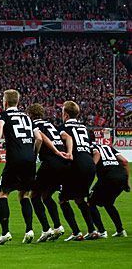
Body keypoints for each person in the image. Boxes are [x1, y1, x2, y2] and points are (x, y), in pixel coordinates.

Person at [0, 90, 40, 245]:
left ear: (5, 102)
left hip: (14, 159)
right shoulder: (27, 117)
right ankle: (29, 230)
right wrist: (33, 154)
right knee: (25, 194)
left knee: (2, 194)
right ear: (18, 102)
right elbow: (39, 138)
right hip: (30, 160)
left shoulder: (3, 115)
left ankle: (5, 232)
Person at [26, 103, 69, 242]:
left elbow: (39, 138)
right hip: (63, 163)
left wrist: (34, 154)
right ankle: (57, 227)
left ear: (30, 115)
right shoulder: (51, 125)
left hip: (50, 163)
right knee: (46, 195)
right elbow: (67, 137)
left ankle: (46, 230)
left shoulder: (34, 125)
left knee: (34, 195)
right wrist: (68, 153)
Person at [58, 101, 98, 241]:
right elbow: (96, 151)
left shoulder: (63, 127)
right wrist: (89, 165)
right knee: (80, 199)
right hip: (89, 164)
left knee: (63, 199)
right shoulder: (85, 129)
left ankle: (76, 232)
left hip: (76, 164)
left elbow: (64, 141)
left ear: (66, 114)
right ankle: (92, 230)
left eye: (62, 112)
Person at [88, 142, 129, 238]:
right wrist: (127, 182)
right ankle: (120, 230)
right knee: (108, 203)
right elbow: (125, 161)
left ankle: (101, 231)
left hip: (107, 178)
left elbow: (96, 155)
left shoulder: (90, 148)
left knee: (90, 203)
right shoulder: (108, 147)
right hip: (121, 177)